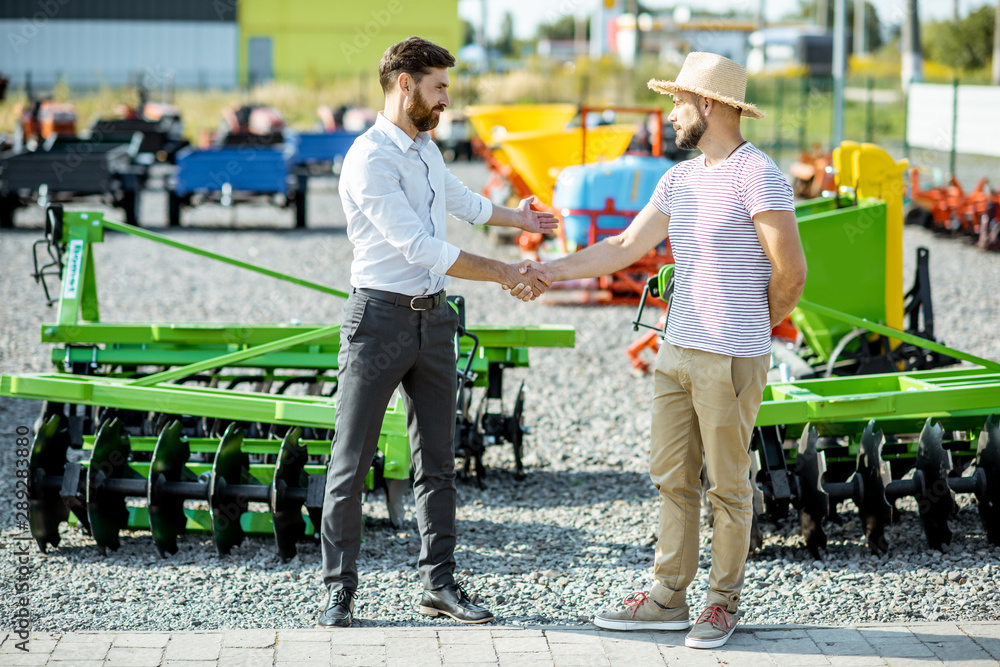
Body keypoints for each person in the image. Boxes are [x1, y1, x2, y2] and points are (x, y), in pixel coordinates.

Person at [514, 52, 807, 649]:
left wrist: (752, 328)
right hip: (675, 352)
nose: (670, 113)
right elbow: (623, 244)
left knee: (728, 485)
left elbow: (792, 273)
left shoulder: (759, 173)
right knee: (671, 478)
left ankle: (721, 604)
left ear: (709, 105)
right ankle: (668, 596)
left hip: (730, 354)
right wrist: (547, 270)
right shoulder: (680, 179)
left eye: (678, 101)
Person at [317, 36, 554, 629]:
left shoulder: (425, 150)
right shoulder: (369, 158)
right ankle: (338, 590)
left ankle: (439, 586)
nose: (447, 98)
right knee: (352, 461)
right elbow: (419, 245)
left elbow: (466, 204)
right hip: (379, 320)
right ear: (405, 85)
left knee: (439, 462)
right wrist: (503, 273)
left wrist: (519, 218)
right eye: (439, 86)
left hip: (434, 319)